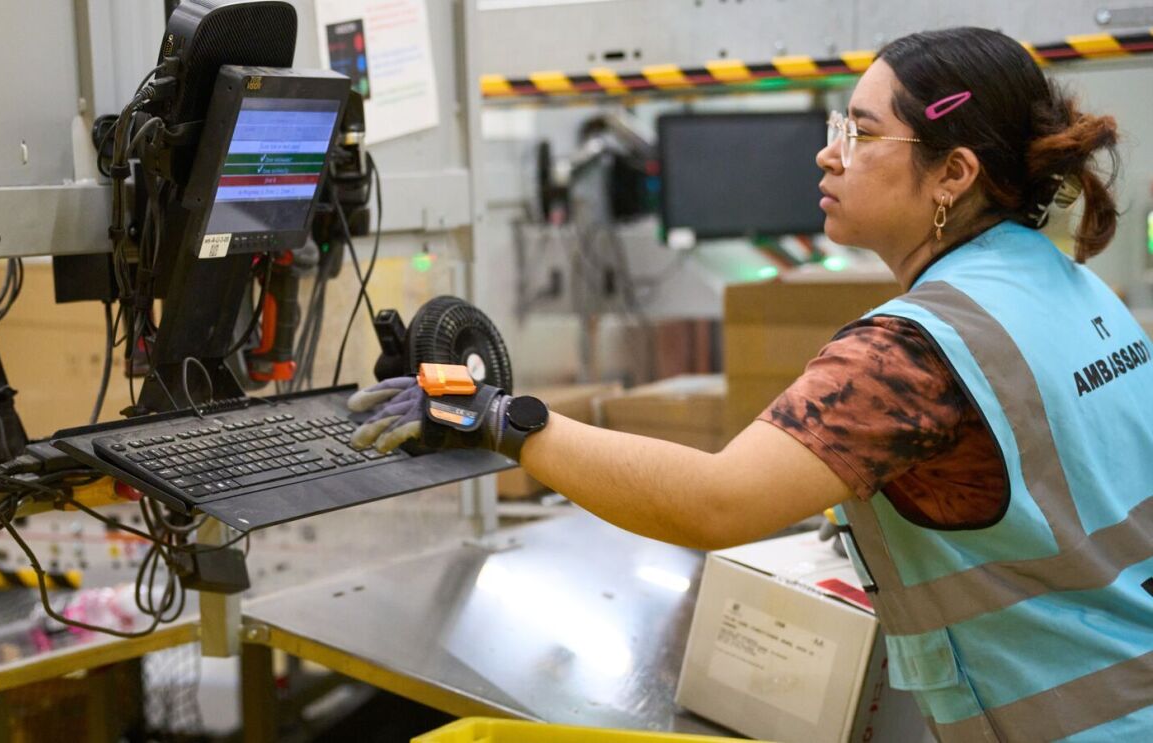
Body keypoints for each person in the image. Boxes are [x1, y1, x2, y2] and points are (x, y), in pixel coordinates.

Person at [347, 27, 1153, 741]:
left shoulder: (912, 355)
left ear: (954, 173)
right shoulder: (1072, 288)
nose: (828, 152)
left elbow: (713, 501)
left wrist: (499, 418)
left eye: (862, 134)